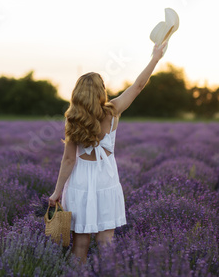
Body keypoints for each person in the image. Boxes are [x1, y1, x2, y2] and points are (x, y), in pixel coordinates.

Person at [48, 40, 169, 263]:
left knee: (80, 245)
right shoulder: (113, 111)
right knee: (106, 243)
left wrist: (56, 192)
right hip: (107, 182)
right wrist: (155, 57)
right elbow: (139, 85)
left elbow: (68, 161)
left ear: (77, 94)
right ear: (101, 91)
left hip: (79, 184)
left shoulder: (73, 120)